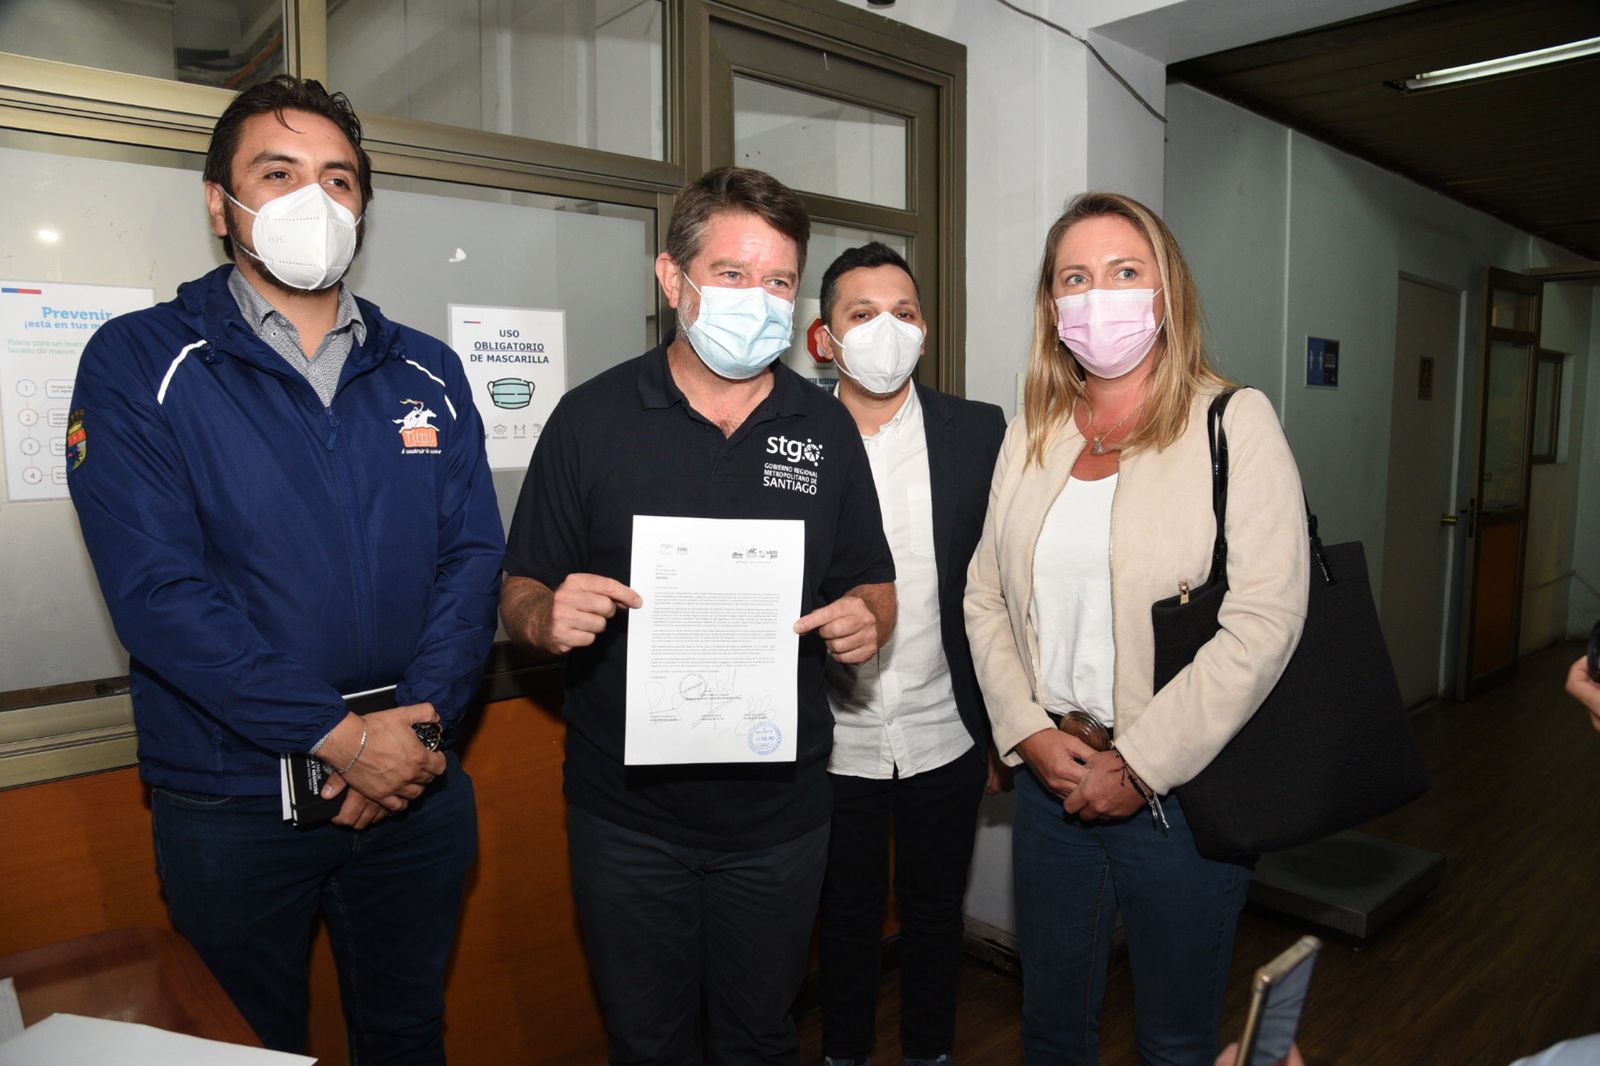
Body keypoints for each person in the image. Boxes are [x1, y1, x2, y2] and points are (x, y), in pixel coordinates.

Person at [66, 75, 504, 1062]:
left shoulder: (428, 369)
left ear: (362, 209)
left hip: (418, 782)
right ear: (220, 204)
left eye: (338, 179)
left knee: (408, 1033)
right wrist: (339, 738)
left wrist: (416, 731)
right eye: (279, 173)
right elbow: (157, 593)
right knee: (247, 1046)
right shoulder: (140, 361)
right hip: (234, 796)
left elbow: (473, 561)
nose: (316, 199)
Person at [500, 166, 897, 1065]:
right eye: (732, 273)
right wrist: (545, 616)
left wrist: (867, 619)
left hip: (781, 818)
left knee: (761, 1037)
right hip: (627, 819)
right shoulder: (590, 419)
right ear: (672, 277)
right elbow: (521, 585)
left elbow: (872, 581)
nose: (758, 298)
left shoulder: (826, 428)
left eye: (779, 281)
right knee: (647, 1042)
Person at [963, 191, 1309, 1065]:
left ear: (1166, 290)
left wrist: (1143, 764)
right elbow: (985, 595)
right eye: (1075, 278)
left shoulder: (1234, 421)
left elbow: (1264, 619)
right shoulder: (1034, 431)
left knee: (1175, 1039)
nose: (1099, 295)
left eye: (1124, 271)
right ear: (1052, 306)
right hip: (1052, 777)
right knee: (1050, 1028)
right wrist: (1025, 732)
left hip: (1181, 794)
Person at [810, 243, 1007, 1066]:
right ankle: (844, 1055)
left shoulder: (980, 431)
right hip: (830, 739)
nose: (886, 329)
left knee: (934, 914)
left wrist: (1001, 730)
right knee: (845, 917)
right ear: (825, 338)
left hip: (945, 727)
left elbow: (1003, 588)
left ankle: (930, 1053)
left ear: (925, 329)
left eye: (904, 312)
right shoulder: (788, 433)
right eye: (862, 314)